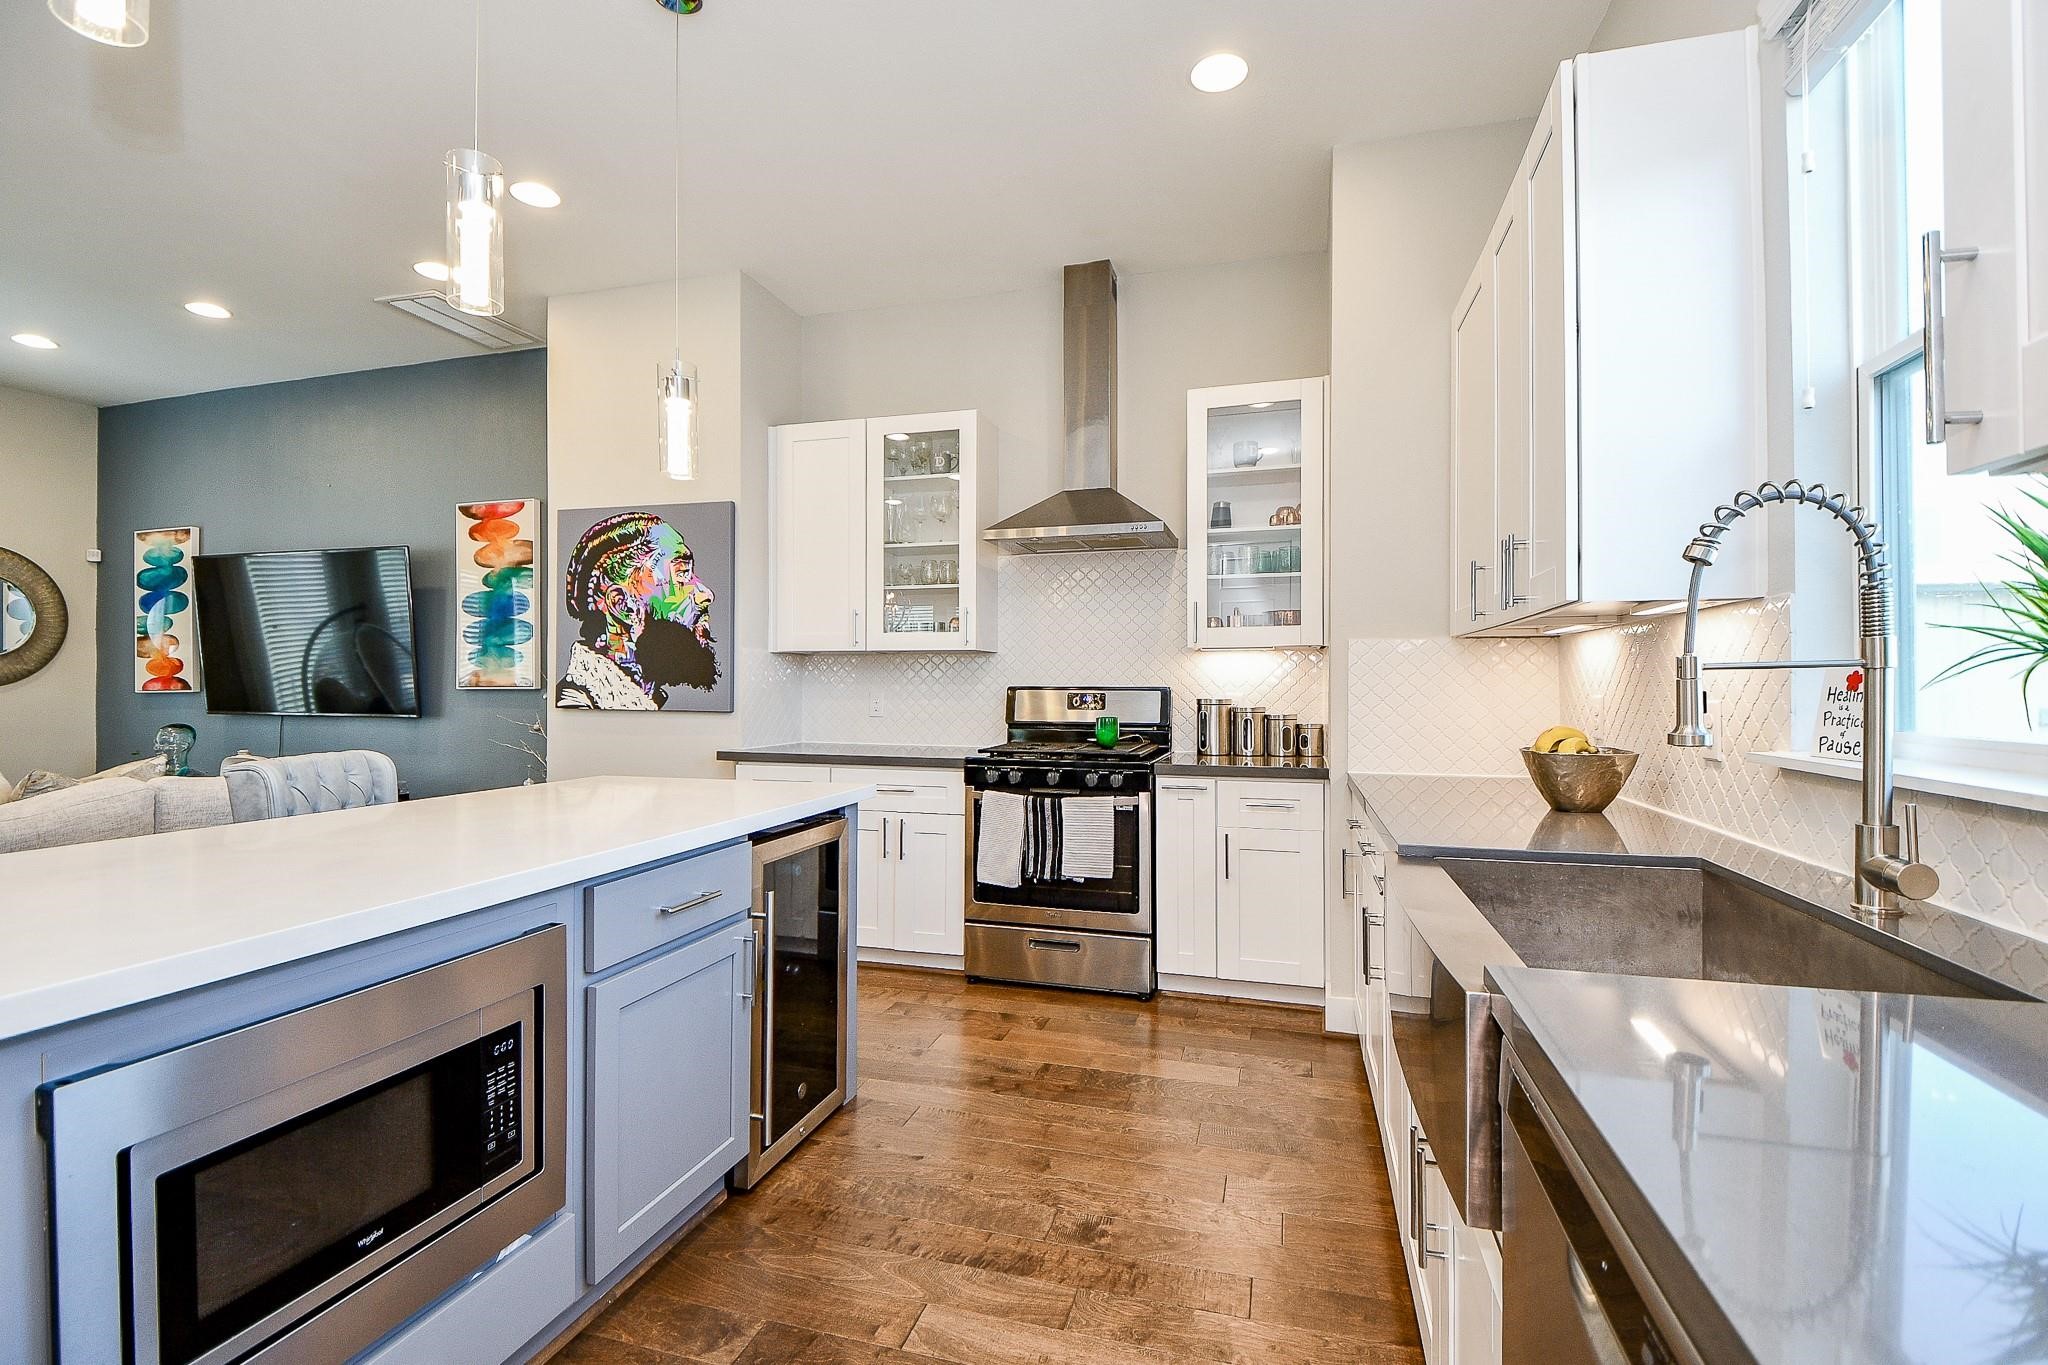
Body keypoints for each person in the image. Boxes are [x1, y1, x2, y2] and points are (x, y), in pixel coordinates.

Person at [555, 512, 718, 710]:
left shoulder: (643, 700)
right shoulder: (575, 706)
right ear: (622, 604)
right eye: (682, 573)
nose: (706, 594)